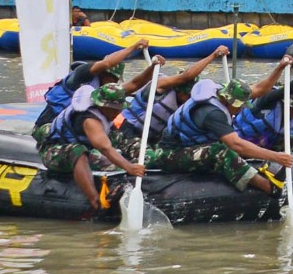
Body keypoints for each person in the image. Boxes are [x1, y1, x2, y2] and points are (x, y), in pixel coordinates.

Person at [149, 79, 291, 195]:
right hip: (170, 155)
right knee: (220, 152)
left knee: (235, 145)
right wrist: (275, 156)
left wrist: (280, 67)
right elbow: (236, 145)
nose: (240, 110)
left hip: (190, 146)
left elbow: (259, 89)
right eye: (239, 106)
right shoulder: (212, 113)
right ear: (228, 101)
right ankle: (267, 187)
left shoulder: (220, 91)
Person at [36, 82, 147, 212]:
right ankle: (94, 199)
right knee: (79, 152)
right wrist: (129, 167)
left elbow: (134, 84)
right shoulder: (89, 120)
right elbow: (105, 148)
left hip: (85, 148)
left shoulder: (104, 113)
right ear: (104, 106)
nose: (119, 112)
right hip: (54, 151)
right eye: (116, 109)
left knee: (121, 140)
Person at [111, 46, 230, 153]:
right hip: (128, 130)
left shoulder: (190, 105)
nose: (189, 98)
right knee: (148, 157)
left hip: (153, 140)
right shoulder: (160, 86)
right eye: (186, 94)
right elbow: (186, 76)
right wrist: (214, 55)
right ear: (178, 89)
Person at [34, 38, 154, 131]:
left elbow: (134, 84)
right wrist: (134, 47)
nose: (114, 83)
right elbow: (107, 64)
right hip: (51, 120)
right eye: (113, 78)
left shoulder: (107, 91)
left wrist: (153, 67)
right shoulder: (81, 75)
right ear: (104, 74)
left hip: (77, 123)